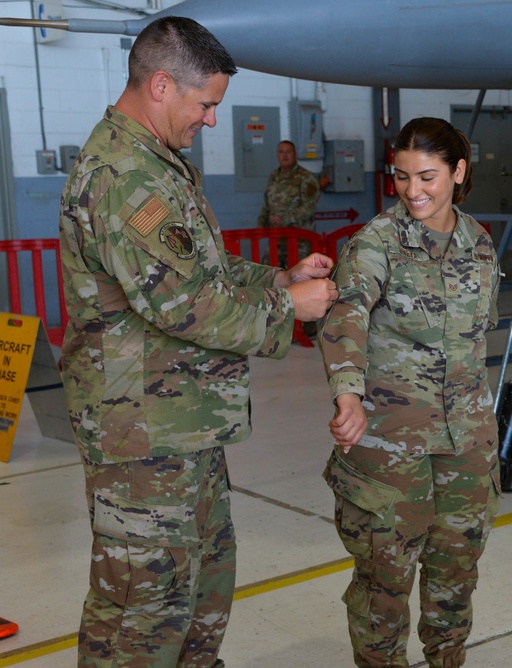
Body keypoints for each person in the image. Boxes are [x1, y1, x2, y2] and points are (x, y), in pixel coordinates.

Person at [58, 17, 338, 667]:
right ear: (162, 85)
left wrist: (279, 276)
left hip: (181, 425)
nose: (211, 121)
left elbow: (201, 269)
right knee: (142, 609)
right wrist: (285, 308)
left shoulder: (161, 164)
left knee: (204, 585)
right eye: (206, 104)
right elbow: (186, 306)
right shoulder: (126, 176)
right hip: (141, 433)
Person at [320, 117, 500, 667]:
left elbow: (478, 336)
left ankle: (448, 658)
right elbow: (346, 311)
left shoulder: (480, 243)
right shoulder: (376, 243)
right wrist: (347, 392)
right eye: (401, 178)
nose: (413, 191)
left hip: (467, 438)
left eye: (427, 177)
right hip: (392, 443)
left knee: (456, 567)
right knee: (385, 578)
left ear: (458, 172)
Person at [256, 139, 322, 267]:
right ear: (277, 155)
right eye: (281, 152)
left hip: (299, 240)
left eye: (288, 152)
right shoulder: (274, 176)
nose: (285, 155)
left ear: (295, 154)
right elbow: (267, 204)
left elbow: (309, 207)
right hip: (276, 238)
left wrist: (284, 219)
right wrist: (261, 224)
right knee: (271, 276)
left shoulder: (306, 177)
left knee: (299, 278)